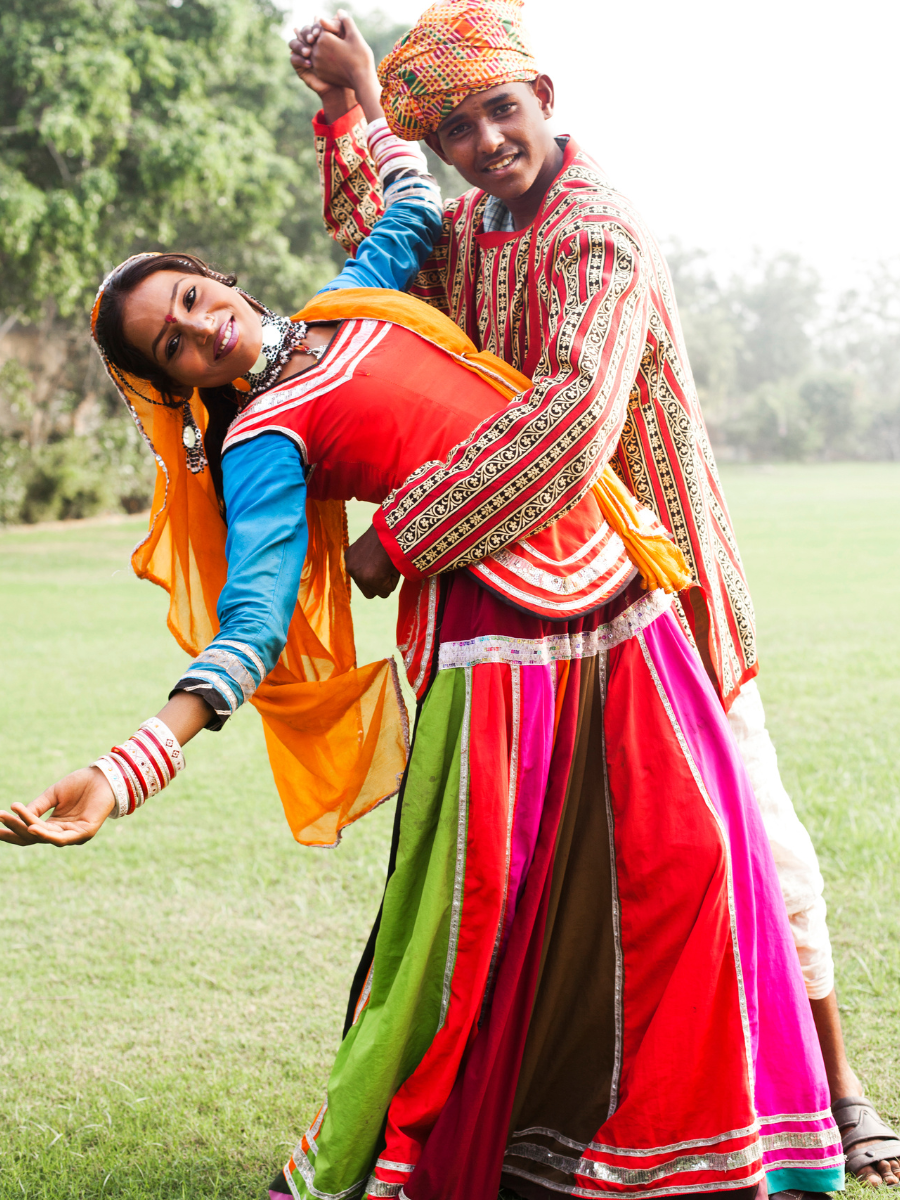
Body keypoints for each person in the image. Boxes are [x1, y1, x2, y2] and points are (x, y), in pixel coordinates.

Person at [0, 110, 840, 1200]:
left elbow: (404, 206)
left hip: (614, 585)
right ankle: (429, 1149)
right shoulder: (258, 445)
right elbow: (253, 620)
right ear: (172, 379)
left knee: (700, 862)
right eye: (173, 343)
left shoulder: (349, 300)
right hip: (496, 652)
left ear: (219, 279)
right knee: (471, 924)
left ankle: (695, 1147)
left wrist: (352, 103)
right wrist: (125, 770)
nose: (202, 332)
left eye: (193, 301)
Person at [290, 0, 900, 1188]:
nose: (483, 141)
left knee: (743, 841)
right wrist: (355, 108)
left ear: (546, 99)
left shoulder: (595, 231)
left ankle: (837, 1089)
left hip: (661, 592)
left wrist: (400, 538)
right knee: (551, 866)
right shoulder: (480, 225)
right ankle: (561, 1112)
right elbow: (398, 244)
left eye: (499, 111)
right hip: (534, 605)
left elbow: (573, 419)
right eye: (458, 129)